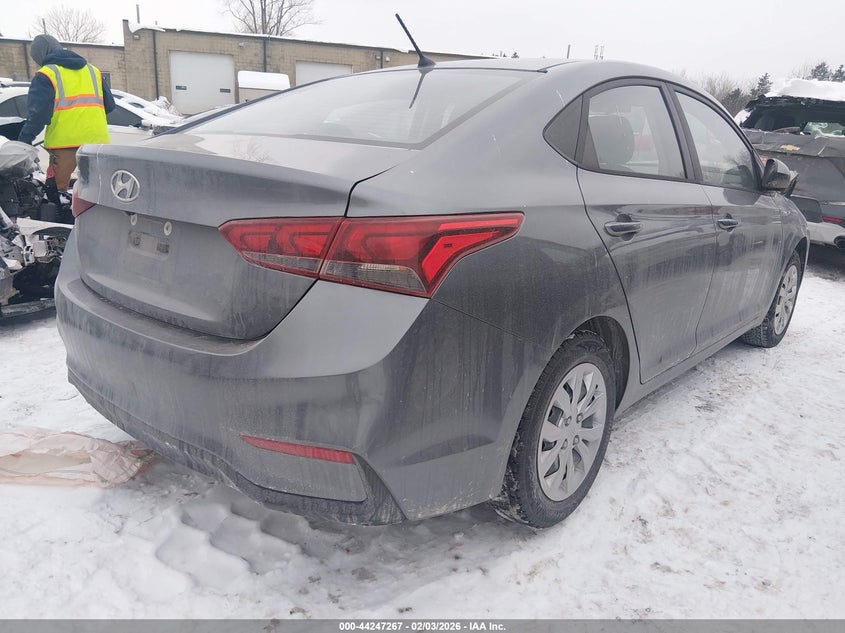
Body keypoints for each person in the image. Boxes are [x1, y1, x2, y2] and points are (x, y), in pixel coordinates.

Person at [18, 34, 115, 204]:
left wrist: (23, 141)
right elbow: (110, 105)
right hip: (97, 144)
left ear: (41, 55)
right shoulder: (93, 71)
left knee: (55, 192)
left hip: (64, 146)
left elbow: (38, 115)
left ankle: (61, 226)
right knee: (97, 191)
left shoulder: (46, 74)